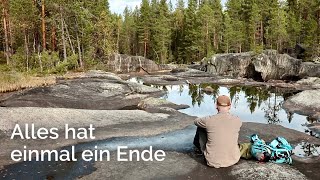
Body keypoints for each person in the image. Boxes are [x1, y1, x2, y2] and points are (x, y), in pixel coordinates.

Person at [193, 95, 242, 168]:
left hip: (212, 161)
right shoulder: (238, 120)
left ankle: (198, 149)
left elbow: (196, 121)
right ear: (230, 106)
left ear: (216, 106)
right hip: (234, 159)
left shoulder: (208, 120)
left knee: (201, 127)